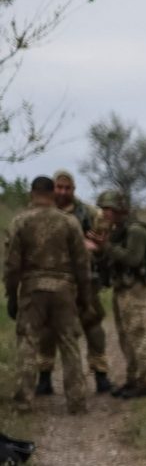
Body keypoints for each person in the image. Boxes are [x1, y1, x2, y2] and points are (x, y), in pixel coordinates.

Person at [6, 175, 91, 414]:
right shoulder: (69, 222)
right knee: (69, 344)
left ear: (32, 194)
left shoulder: (20, 222)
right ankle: (77, 401)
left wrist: (12, 295)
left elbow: (12, 265)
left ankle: (23, 402)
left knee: (28, 343)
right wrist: (84, 296)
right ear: (53, 193)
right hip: (64, 289)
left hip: (32, 289)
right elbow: (82, 263)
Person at [39, 169, 111, 394]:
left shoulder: (89, 213)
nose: (62, 192)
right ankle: (44, 376)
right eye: (59, 187)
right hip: (51, 280)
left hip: (84, 280)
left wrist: (96, 247)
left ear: (74, 189)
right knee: (47, 329)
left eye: (67, 188)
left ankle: (100, 374)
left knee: (93, 324)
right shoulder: (42, 212)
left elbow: (103, 244)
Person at [87, 189, 146, 399]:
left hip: (135, 288)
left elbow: (132, 259)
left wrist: (105, 246)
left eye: (108, 208)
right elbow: (110, 260)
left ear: (119, 209)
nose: (104, 213)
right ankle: (133, 378)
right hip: (122, 288)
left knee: (137, 335)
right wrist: (99, 250)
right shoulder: (117, 230)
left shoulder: (136, 231)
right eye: (102, 208)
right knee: (125, 337)